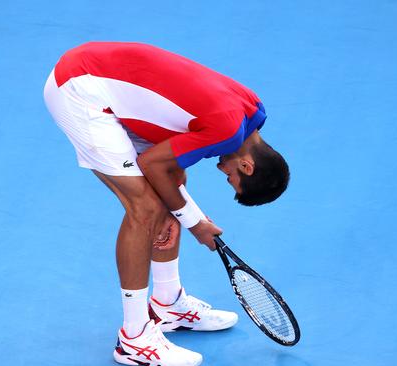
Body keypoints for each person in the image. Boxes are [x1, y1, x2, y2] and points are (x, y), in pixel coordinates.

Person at [43, 42, 289, 366]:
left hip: (103, 71)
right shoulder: (227, 133)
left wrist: (192, 215)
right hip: (81, 87)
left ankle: (168, 304)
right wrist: (196, 225)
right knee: (145, 208)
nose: (221, 170)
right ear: (247, 166)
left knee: (169, 190)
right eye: (230, 177)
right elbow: (152, 165)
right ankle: (133, 338)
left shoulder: (253, 111)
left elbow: (169, 170)